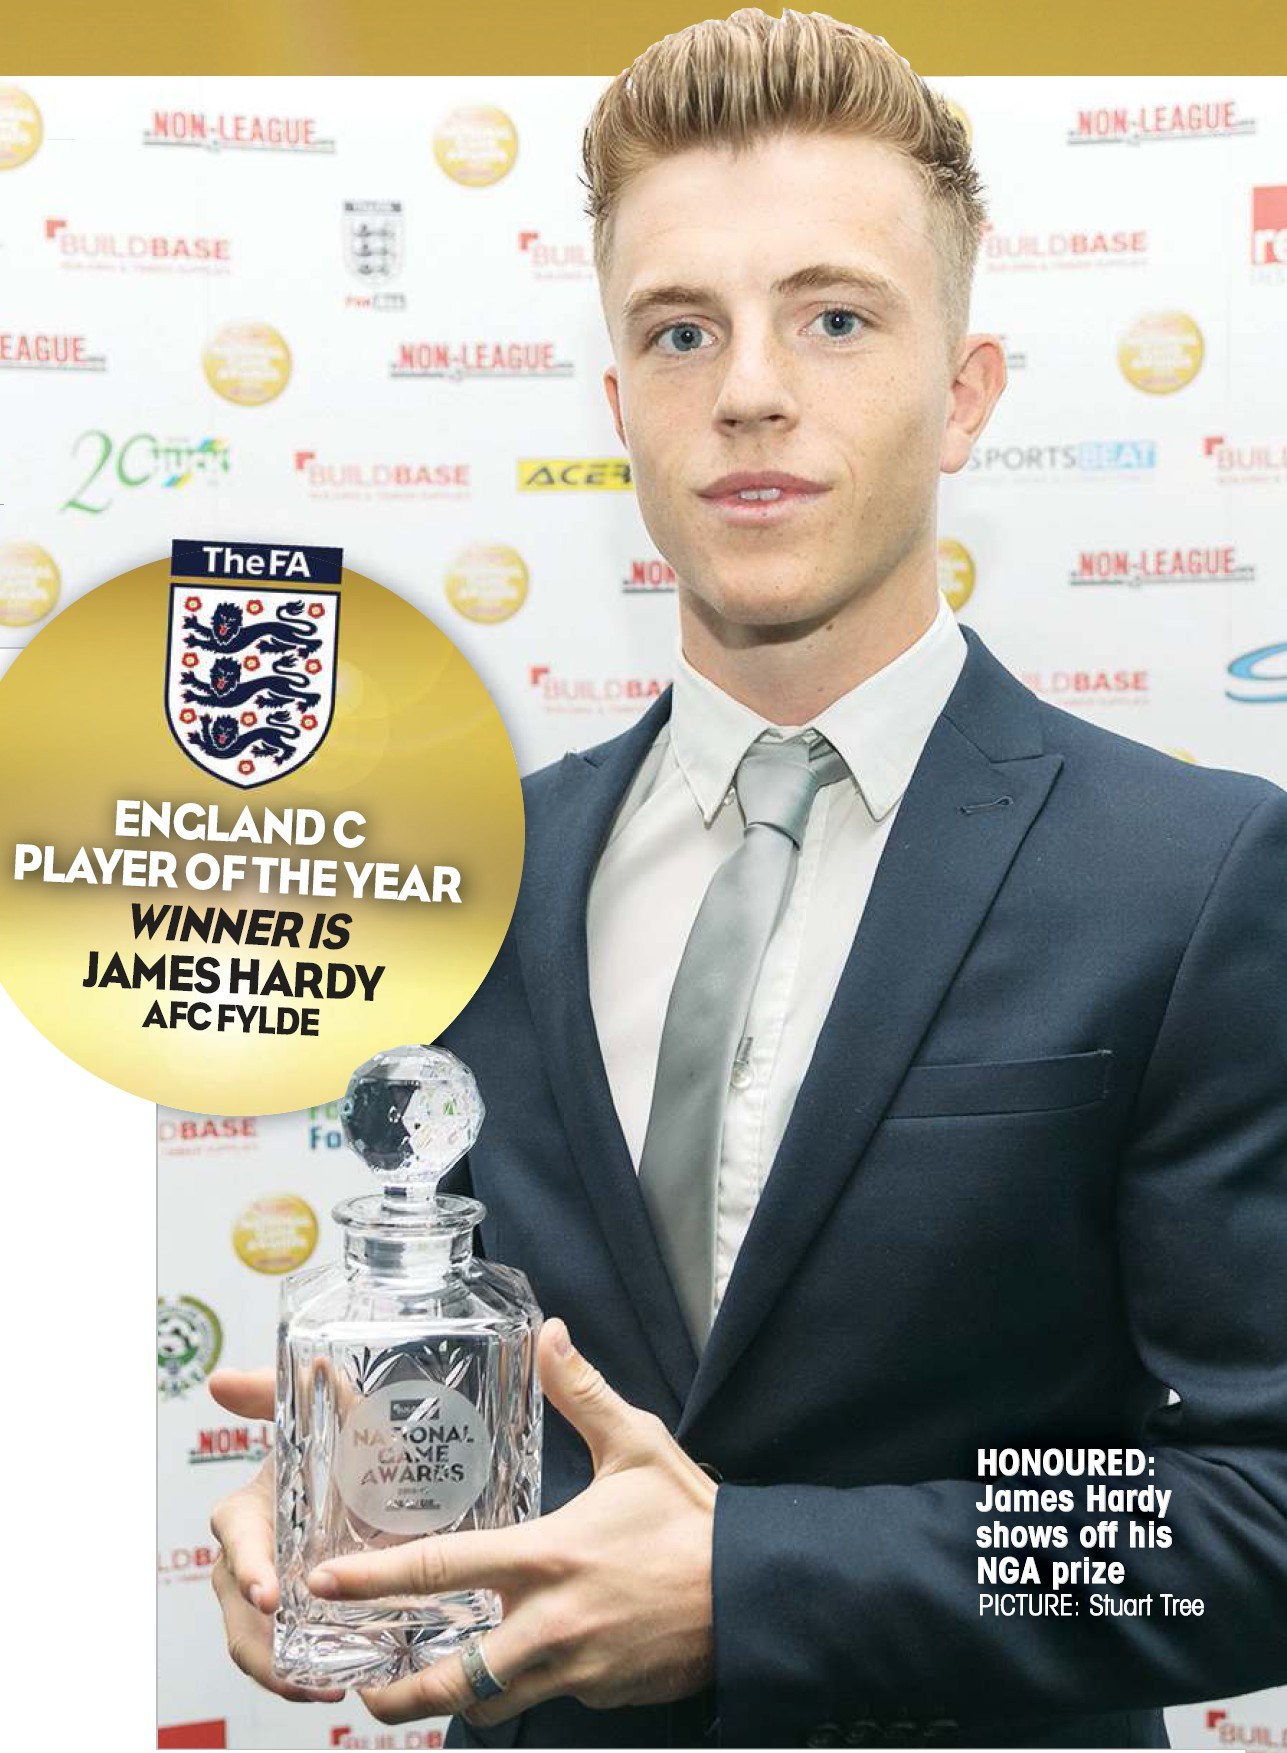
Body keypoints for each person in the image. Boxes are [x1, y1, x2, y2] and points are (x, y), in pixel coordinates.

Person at [207, 10, 1287, 1748]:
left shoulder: (1193, 873)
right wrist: (344, 1508)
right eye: (681, 330)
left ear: (965, 392)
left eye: (835, 317)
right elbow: (508, 1411)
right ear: (618, 405)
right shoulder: (478, 875)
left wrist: (754, 1579)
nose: (750, 390)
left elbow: (1261, 1507)